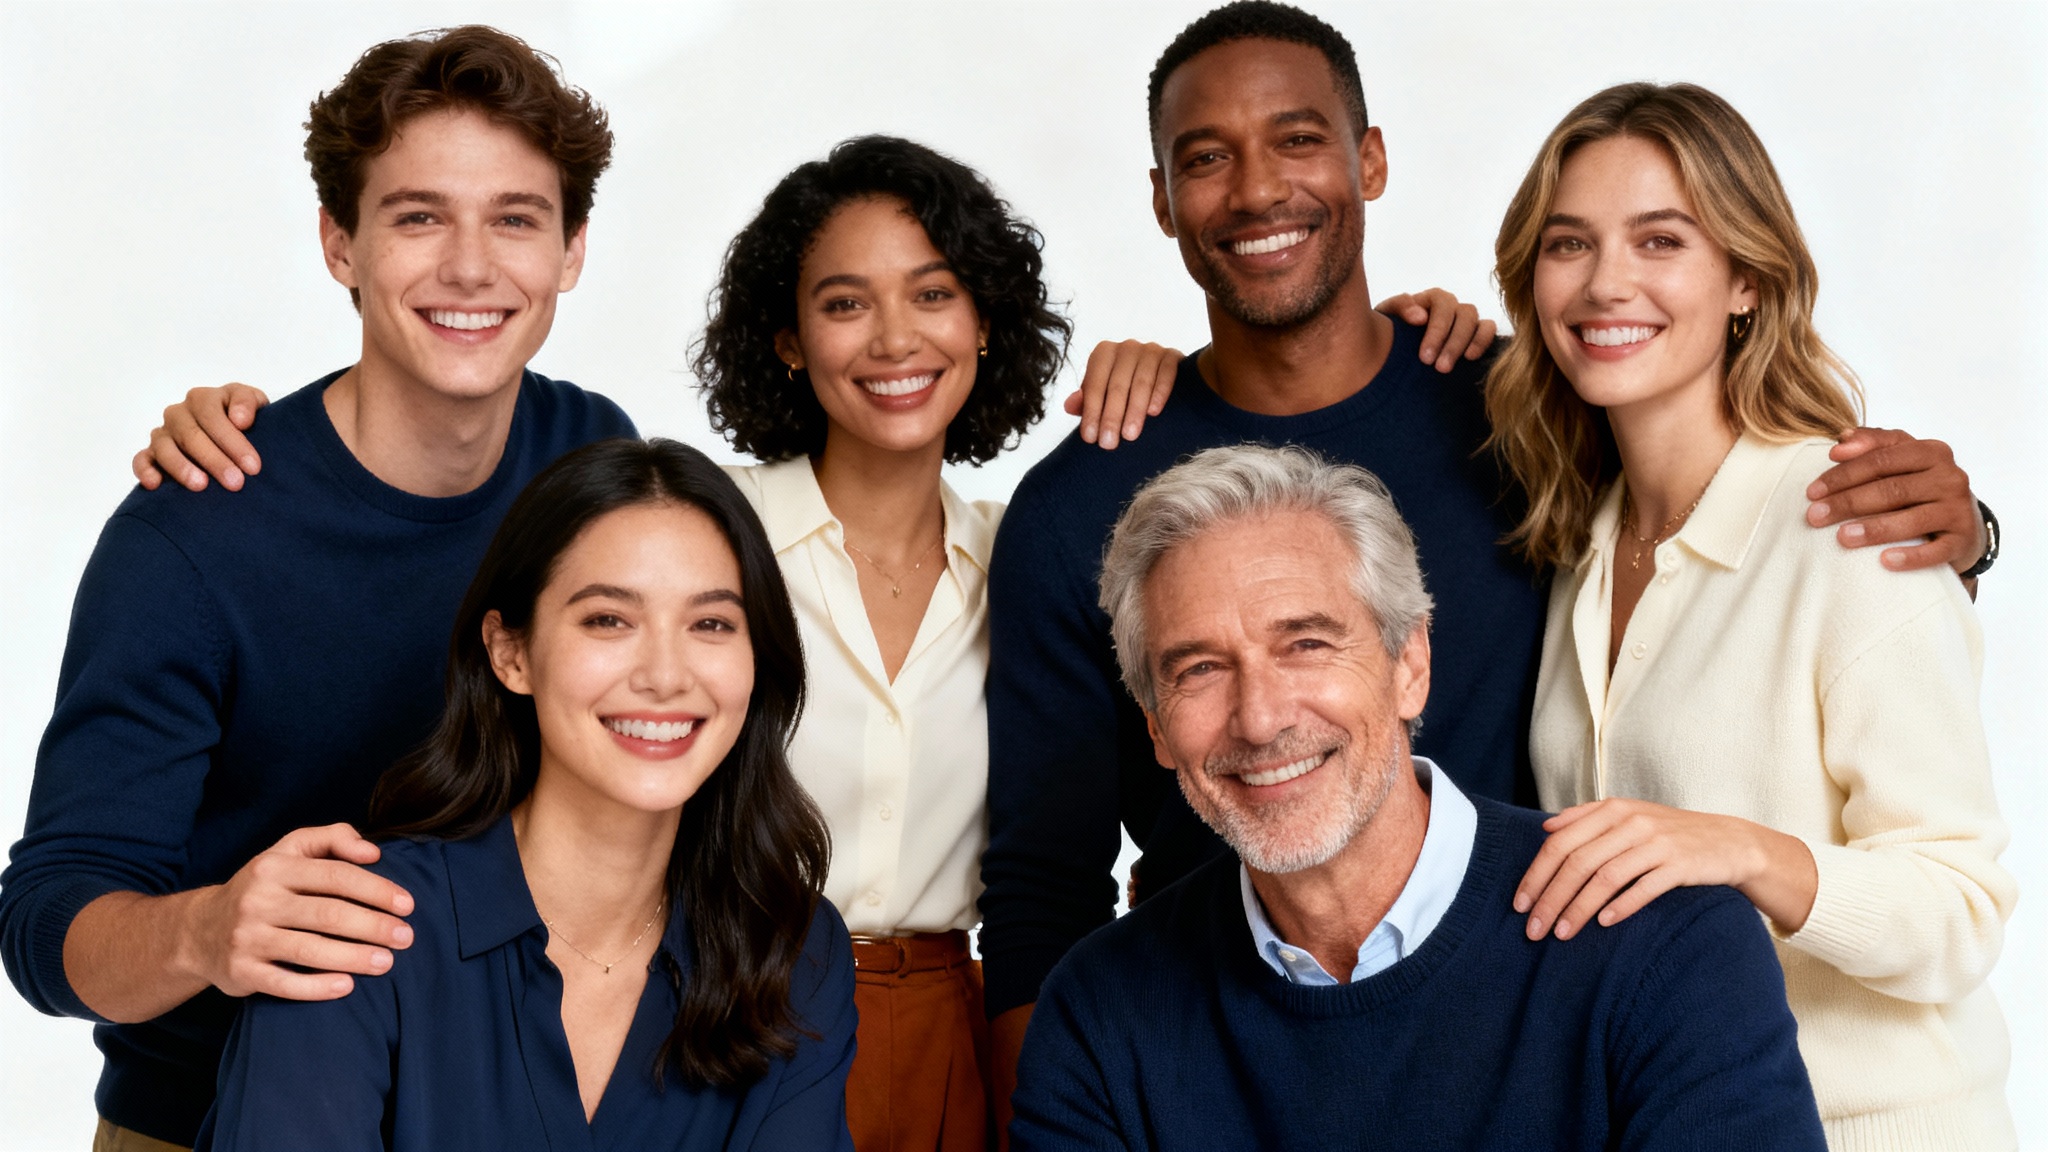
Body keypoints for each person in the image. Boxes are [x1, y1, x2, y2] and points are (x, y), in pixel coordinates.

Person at [129, 130, 1487, 1150]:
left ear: (986, 322)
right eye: (844, 303)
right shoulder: (709, 554)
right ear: (785, 337)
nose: (894, 338)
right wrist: (282, 439)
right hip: (712, 1002)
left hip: (949, 1021)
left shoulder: (1036, 547)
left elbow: (1124, 796)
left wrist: (1199, 375)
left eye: (936, 294)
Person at [975, 1, 1993, 1112]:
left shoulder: (1531, 432)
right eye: (1571, 245)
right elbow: (1043, 892)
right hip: (1269, 1072)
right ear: (1161, 200)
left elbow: (1950, 882)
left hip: (1691, 1093)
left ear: (1370, 161)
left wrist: (1967, 527)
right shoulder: (1563, 497)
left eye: (1298, 137)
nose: (1259, 187)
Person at [0, 26, 637, 1151]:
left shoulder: (589, 458)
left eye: (515, 219)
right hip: (200, 1124)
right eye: (418, 215)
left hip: (495, 1113)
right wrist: (208, 931)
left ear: (572, 249)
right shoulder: (191, 534)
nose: (471, 267)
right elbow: (45, 927)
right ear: (340, 243)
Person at [1006, 443, 1825, 1150]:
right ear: (1154, 727)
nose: (1259, 720)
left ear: (1410, 665)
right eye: (1199, 670)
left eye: (1306, 644)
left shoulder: (1663, 945)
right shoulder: (1100, 1011)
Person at [1493, 83, 2016, 1149]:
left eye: (1659, 241)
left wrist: (1741, 852)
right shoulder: (1574, 548)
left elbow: (1960, 912)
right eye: (1567, 244)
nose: (1605, 284)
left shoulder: (1851, 525)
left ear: (1742, 278)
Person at [197, 437, 854, 1151]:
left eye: (711, 624)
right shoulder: (349, 927)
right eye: (609, 619)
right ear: (511, 653)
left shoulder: (794, 947)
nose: (666, 675)